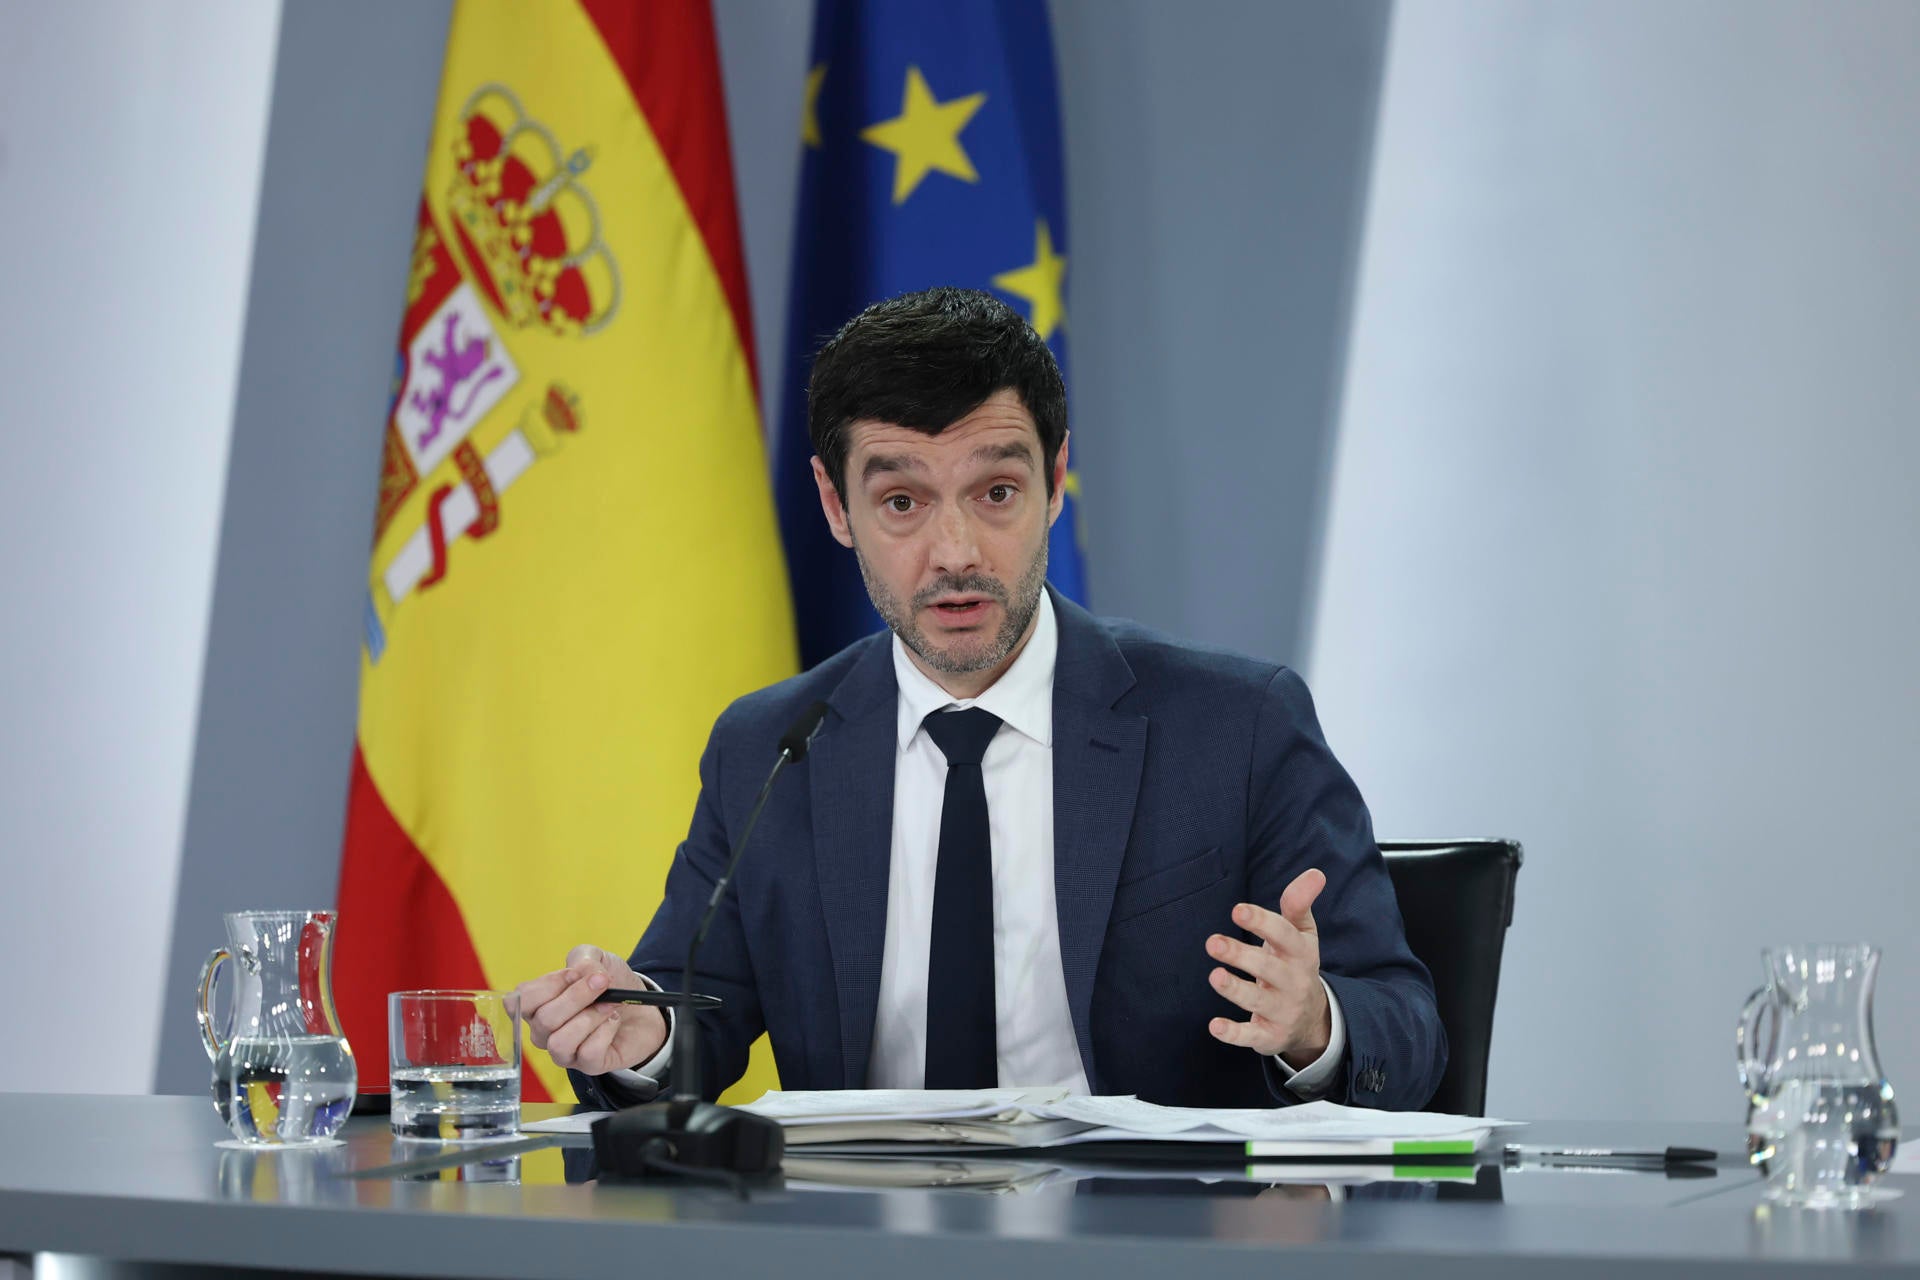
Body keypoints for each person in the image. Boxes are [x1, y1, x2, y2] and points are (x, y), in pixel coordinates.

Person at [516, 287, 1445, 1110]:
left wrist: (1314, 1024)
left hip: (1146, 1246)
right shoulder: (770, 746)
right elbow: (693, 1014)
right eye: (903, 503)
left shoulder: (1236, 728)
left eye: (996, 490)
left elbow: (1406, 1031)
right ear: (836, 507)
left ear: (1056, 481)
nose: (955, 550)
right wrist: (641, 1041)